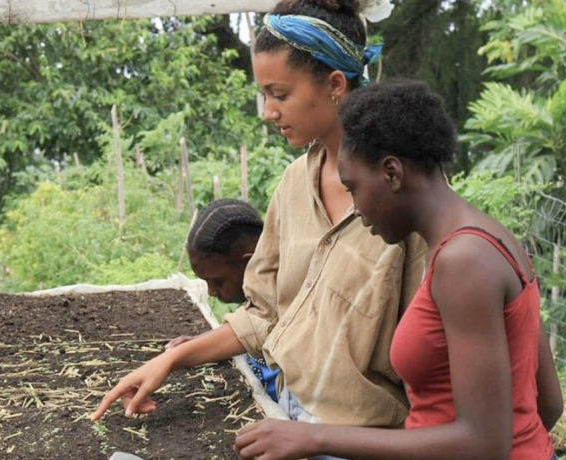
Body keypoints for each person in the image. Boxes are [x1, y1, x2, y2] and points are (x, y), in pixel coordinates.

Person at [92, 2, 427, 458]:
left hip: (364, 443)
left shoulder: (401, 199)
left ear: (334, 85)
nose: (268, 112)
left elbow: (432, 365)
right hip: (285, 418)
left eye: (279, 94)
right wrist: (171, 359)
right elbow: (265, 314)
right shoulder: (293, 186)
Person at [233, 80, 564, 460]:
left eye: (354, 188)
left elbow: (484, 443)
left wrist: (316, 438)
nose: (356, 209)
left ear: (391, 173)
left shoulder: (463, 263)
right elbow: (548, 403)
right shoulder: (491, 237)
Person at [165, 199, 280, 402]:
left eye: (217, 282)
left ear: (249, 262)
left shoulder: (288, 306)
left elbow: (258, 329)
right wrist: (205, 345)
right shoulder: (262, 299)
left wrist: (175, 358)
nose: (210, 292)